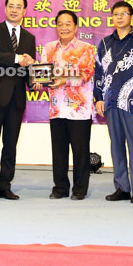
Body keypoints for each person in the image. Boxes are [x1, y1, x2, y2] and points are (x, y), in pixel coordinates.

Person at [94, 1, 133, 204]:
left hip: (132, 101)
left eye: (124, 14)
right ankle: (122, 187)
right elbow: (98, 72)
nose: (119, 17)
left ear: (131, 17)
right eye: (116, 14)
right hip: (110, 101)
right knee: (116, 145)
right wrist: (99, 97)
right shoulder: (104, 43)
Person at [0, 0, 36, 201]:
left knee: (10, 144)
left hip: (17, 99)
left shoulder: (29, 37)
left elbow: (28, 68)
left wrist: (34, 80)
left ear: (24, 10)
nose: (14, 9)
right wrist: (16, 58)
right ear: (5, 8)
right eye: (11, 5)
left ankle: (5, 184)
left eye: (19, 6)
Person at [43, 10, 95, 200]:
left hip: (79, 109)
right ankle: (60, 187)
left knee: (80, 151)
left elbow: (85, 74)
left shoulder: (86, 48)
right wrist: (39, 80)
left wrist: (63, 79)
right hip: (57, 109)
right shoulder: (48, 49)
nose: (64, 27)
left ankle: (80, 188)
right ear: (56, 26)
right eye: (60, 24)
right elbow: (43, 74)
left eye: (68, 24)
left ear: (75, 26)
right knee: (59, 151)